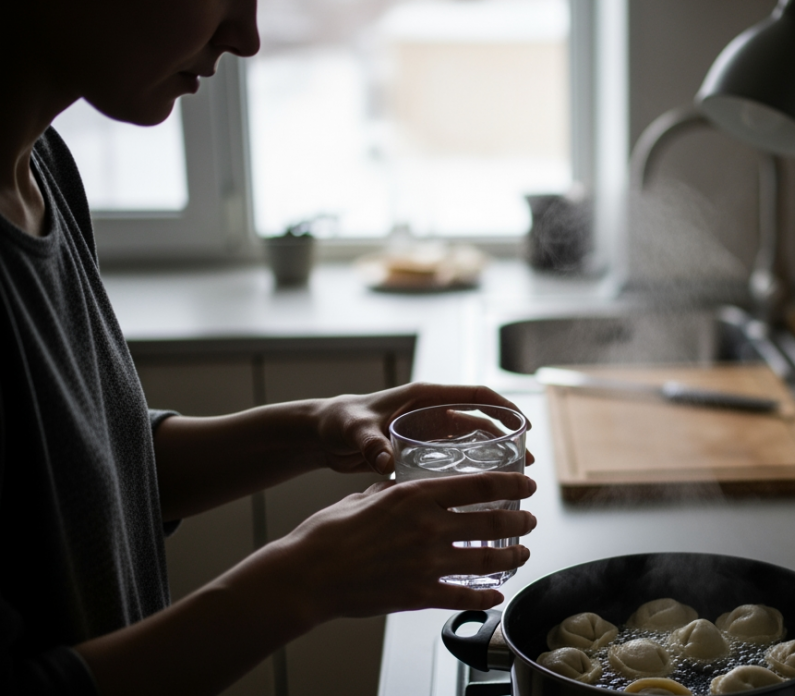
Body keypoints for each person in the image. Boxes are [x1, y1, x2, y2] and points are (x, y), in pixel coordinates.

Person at [0, 1, 538, 694]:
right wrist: (305, 579)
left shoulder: (42, 167)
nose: (247, 37)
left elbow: (91, 474)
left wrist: (316, 426)